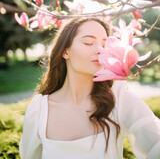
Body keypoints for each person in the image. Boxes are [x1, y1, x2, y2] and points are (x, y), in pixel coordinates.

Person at [19, 17, 160, 159]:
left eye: (105, 45)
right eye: (88, 42)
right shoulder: (40, 109)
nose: (100, 50)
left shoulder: (118, 98)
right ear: (65, 52)